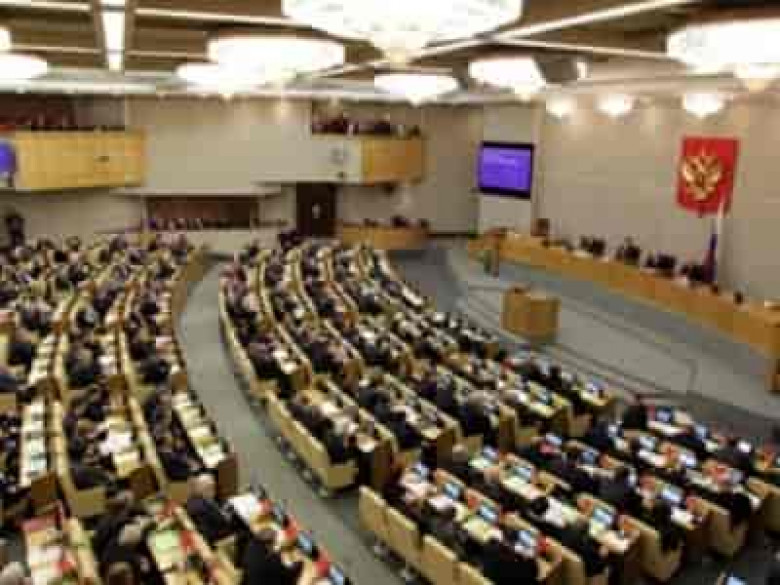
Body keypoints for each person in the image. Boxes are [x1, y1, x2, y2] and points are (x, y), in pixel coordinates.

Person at [185, 474, 233, 545]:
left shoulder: (196, 500)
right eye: (211, 487)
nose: (214, 490)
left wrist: (223, 511)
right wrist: (227, 517)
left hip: (219, 529)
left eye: (213, 486)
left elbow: (215, 511)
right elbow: (210, 534)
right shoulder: (200, 508)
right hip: (219, 539)